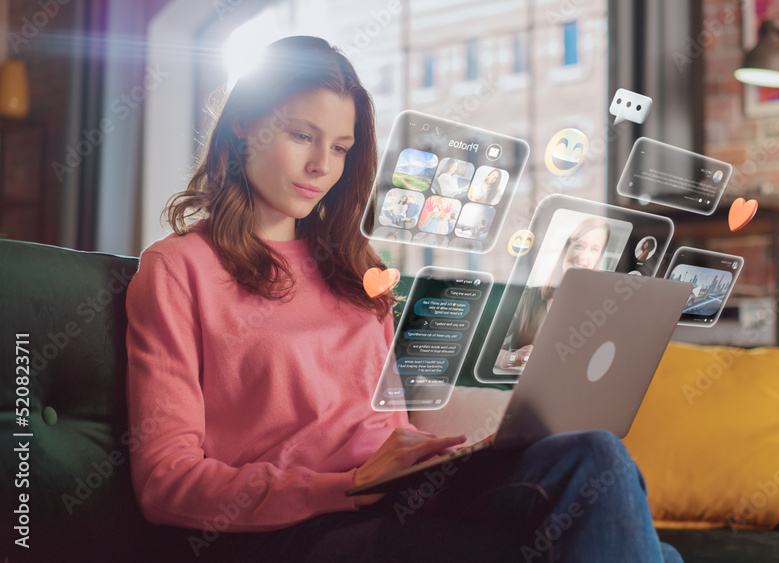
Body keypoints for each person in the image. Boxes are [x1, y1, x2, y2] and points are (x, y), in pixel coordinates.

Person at [125, 36, 681, 563]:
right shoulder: (178, 269)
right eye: (301, 135)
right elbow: (164, 482)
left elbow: (391, 427)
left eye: (340, 147)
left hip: (407, 499)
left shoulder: (357, 269)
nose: (323, 165)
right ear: (245, 124)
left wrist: (449, 451)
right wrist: (343, 484)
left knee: (594, 454)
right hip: (299, 530)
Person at [496, 216, 611, 371]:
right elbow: (490, 354)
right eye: (579, 245)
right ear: (566, 250)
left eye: (594, 249)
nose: (583, 256)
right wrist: (514, 358)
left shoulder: (602, 309)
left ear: (599, 257)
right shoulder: (530, 296)